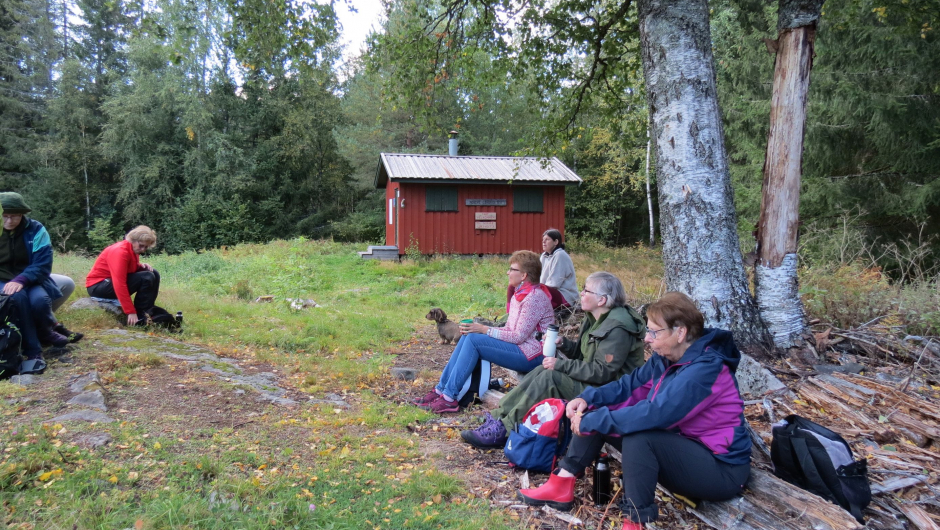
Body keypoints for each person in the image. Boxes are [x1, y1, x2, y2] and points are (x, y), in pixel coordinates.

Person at [518, 292, 752, 530]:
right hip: (680, 448)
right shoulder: (666, 358)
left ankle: (635, 522)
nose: (647, 339)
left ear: (680, 333)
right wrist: (587, 399)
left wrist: (596, 420)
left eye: (654, 332)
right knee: (599, 412)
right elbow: (628, 387)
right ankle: (561, 484)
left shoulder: (705, 370)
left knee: (638, 435)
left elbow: (657, 414)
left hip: (720, 468)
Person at [461, 271, 646, 448]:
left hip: (610, 391)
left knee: (551, 378)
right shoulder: (596, 317)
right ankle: (499, 415)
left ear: (602, 300)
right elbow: (583, 356)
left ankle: (504, 429)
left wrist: (561, 365)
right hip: (596, 383)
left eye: (586, 290)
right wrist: (563, 344)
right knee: (544, 370)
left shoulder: (617, 328)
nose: (581, 293)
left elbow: (602, 372)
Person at [415, 250, 555, 414]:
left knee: (475, 339)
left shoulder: (534, 298)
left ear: (523, 275)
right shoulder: (520, 295)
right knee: (470, 336)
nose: (508, 272)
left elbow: (518, 336)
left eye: (512, 269)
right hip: (522, 349)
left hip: (535, 355)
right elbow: (509, 329)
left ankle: (449, 398)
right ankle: (441, 391)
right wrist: (481, 330)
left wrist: (484, 329)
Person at [0, 193, 83, 372]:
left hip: (29, 278)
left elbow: (43, 263)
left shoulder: (36, 229)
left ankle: (46, 330)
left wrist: (22, 279)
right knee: (18, 298)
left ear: (22, 214)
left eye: (14, 215)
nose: (9, 220)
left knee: (39, 301)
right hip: (3, 280)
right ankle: (33, 350)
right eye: (4, 215)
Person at [86, 226, 160, 326]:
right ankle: (140, 316)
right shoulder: (120, 251)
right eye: (141, 245)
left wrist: (140, 267)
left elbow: (128, 269)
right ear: (133, 240)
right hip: (98, 286)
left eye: (146, 247)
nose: (143, 250)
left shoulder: (132, 249)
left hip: (108, 283)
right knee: (146, 277)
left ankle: (148, 312)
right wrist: (130, 311)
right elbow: (119, 283)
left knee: (154, 273)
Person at [539, 228, 577, 307]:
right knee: (516, 287)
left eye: (547, 239)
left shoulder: (560, 255)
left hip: (565, 295)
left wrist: (536, 288)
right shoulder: (544, 256)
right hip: (547, 290)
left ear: (555, 242)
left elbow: (554, 283)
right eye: (543, 239)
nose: (543, 242)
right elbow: (537, 276)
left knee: (533, 292)